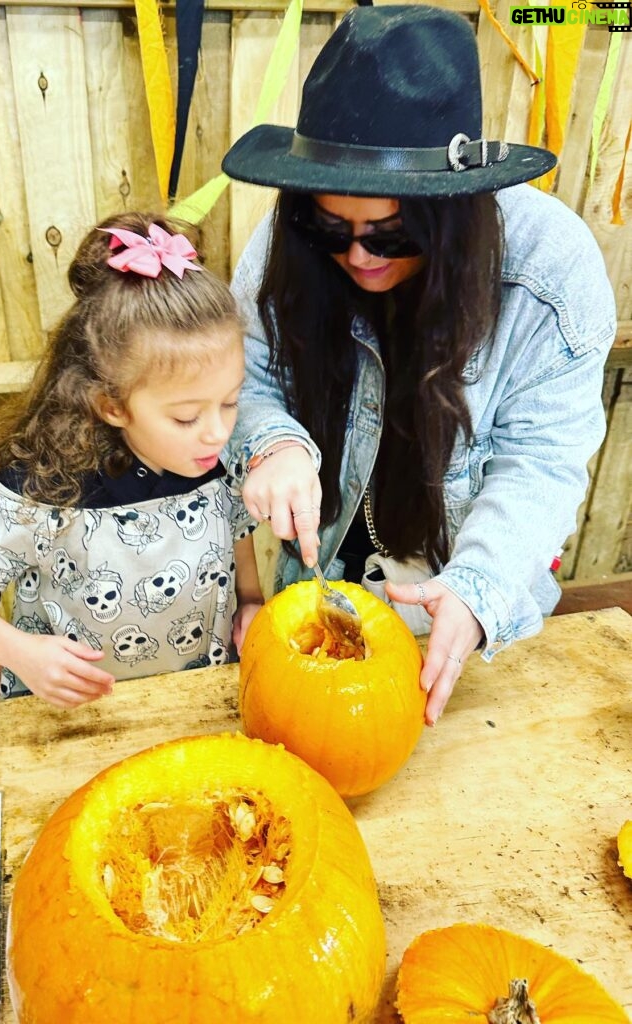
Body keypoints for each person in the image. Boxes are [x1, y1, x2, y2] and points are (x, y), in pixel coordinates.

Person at [220, 5, 616, 725]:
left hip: (461, 603)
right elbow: (243, 369)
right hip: (321, 583)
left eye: (391, 233)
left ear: (455, 209)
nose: (358, 256)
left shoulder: (549, 271)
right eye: (329, 227)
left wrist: (476, 590)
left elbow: (542, 462)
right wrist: (271, 441)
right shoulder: (285, 240)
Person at [0, 213, 263, 709]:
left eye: (230, 402)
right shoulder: (47, 485)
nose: (218, 432)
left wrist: (251, 600)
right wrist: (21, 653)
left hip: (193, 700)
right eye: (184, 417)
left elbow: (235, 526)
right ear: (111, 405)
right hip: (78, 714)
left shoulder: (210, 454)